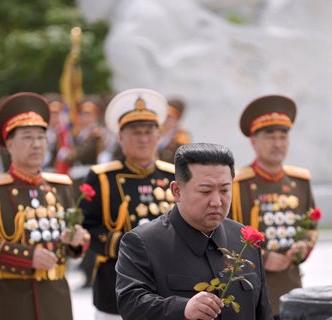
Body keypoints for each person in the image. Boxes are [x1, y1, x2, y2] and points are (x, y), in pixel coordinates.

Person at [116, 142, 273, 320]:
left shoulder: (244, 239)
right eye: (205, 191)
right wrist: (182, 308)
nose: (216, 201)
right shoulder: (143, 242)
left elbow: (263, 311)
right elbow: (130, 304)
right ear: (177, 191)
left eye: (224, 190)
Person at [0, 92, 90, 320]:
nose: (36, 144)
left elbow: (72, 243)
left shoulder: (61, 186)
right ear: (9, 143)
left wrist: (77, 241)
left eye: (41, 137)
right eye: (27, 137)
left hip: (56, 298)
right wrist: (26, 257)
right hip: (13, 300)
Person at [80, 88, 176, 319]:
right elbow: (87, 228)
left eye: (148, 131)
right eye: (135, 132)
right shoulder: (102, 177)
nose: (143, 138)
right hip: (117, 288)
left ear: (158, 135)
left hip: (168, 289)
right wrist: (130, 247)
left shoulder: (174, 176)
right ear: (120, 137)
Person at [231, 95, 317, 318]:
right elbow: (224, 236)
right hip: (251, 288)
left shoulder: (300, 181)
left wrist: (304, 246)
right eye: (270, 137)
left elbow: (311, 226)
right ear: (253, 141)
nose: (278, 144)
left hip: (291, 286)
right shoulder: (236, 184)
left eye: (283, 137)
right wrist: (263, 258)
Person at [157, 97, 192, 163]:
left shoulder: (182, 138)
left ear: (177, 119)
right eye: (163, 115)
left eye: (169, 117)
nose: (165, 120)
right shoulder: (155, 132)